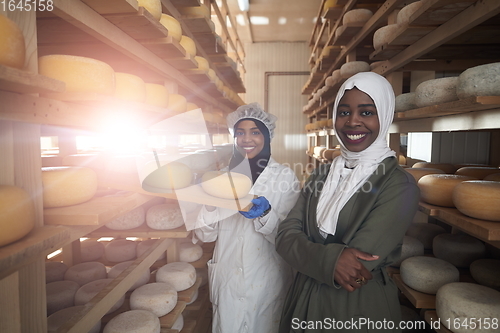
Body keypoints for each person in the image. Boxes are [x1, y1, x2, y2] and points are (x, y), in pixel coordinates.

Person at [276, 72, 420, 333]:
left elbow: (357, 269)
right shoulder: (321, 173)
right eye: (344, 112)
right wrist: (332, 260)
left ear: (385, 116)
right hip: (302, 302)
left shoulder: (399, 184)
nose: (353, 122)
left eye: (366, 113)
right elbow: (284, 237)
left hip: (356, 309)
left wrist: (307, 252)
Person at [194, 103, 301, 333]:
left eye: (255, 132)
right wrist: (211, 205)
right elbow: (205, 234)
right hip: (228, 278)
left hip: (267, 276)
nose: (246, 139)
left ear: (267, 136)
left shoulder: (284, 177)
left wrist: (265, 214)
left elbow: (290, 236)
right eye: (240, 132)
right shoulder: (222, 177)